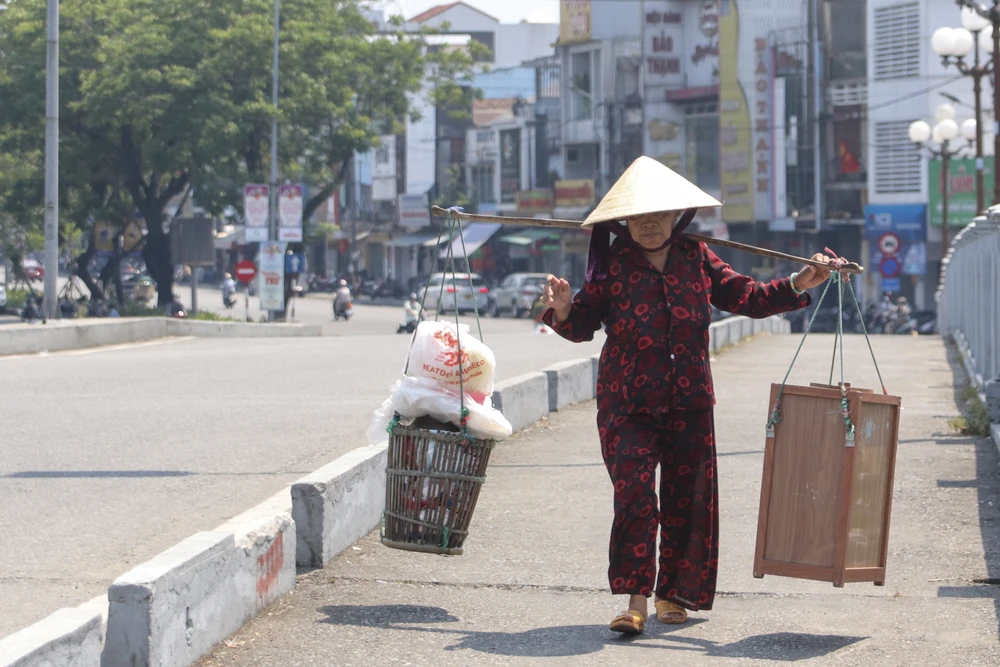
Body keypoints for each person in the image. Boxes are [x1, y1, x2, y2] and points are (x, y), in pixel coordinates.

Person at [539, 156, 834, 635]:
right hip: (627, 404)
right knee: (635, 495)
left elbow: (750, 297)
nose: (650, 224)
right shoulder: (613, 264)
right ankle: (635, 598)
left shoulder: (698, 258)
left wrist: (801, 282)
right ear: (623, 221)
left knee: (686, 500)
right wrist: (565, 308)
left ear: (679, 216)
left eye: (660, 214)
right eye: (639, 216)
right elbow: (584, 324)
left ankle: (672, 594)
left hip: (690, 402)